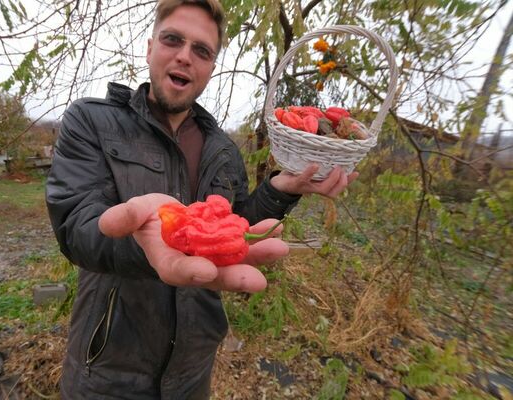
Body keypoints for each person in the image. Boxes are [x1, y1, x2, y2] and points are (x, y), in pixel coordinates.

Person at [45, 0, 358, 398]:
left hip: (192, 371)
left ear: (212, 66)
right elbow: (76, 227)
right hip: (107, 369)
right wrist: (156, 242)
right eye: (172, 40)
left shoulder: (222, 150)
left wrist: (281, 190)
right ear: (149, 47)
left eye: (201, 50)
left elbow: (236, 224)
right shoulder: (92, 121)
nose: (184, 56)